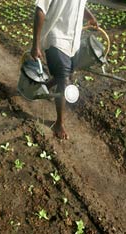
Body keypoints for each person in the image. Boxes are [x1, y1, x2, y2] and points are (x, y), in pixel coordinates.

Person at [31, 0, 98, 140]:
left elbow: (79, 4)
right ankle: (59, 123)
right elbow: (40, 9)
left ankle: (43, 88)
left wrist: (90, 17)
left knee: (66, 74)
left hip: (74, 41)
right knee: (64, 82)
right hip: (56, 38)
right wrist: (35, 44)